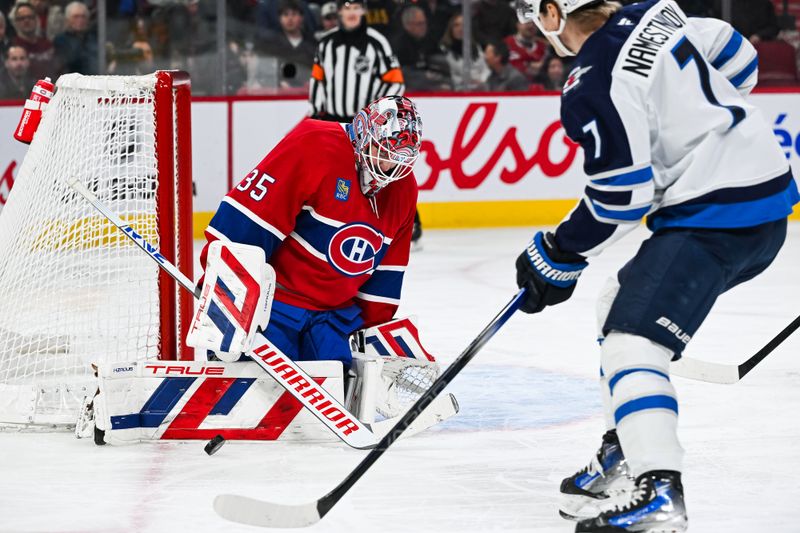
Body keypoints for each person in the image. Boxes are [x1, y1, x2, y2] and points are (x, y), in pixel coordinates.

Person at [514, 1, 799, 532]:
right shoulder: (658, 12)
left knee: (632, 342)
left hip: (718, 217)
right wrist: (702, 123)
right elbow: (740, 60)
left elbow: (621, 195)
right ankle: (625, 446)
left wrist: (558, 252)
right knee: (614, 305)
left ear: (553, 12)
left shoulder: (591, 81)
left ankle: (659, 491)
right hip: (765, 202)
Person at [200, 95, 422, 368]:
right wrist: (225, 294)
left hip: (332, 317)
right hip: (273, 307)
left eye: (400, 158)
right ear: (364, 133)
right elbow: (250, 219)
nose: (389, 167)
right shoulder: (314, 143)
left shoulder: (404, 188)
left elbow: (386, 276)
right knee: (259, 389)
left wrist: (373, 332)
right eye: (384, 152)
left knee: (338, 384)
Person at [310, 0, 404, 122]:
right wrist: (316, 112)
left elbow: (395, 82)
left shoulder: (378, 43)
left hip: (366, 124)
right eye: (347, 8)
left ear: (364, 10)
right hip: (331, 121)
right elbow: (318, 81)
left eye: (356, 8)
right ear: (339, 11)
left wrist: (378, 112)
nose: (352, 13)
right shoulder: (326, 43)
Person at [10, 2, 55, 79]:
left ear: (36, 19)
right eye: (22, 18)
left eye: (30, 17)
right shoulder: (12, 47)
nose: (26, 20)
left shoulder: (47, 44)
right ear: (16, 22)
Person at [53, 1, 98, 75]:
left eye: (83, 16)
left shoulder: (94, 38)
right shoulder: (60, 40)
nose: (80, 20)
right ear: (67, 20)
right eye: (76, 17)